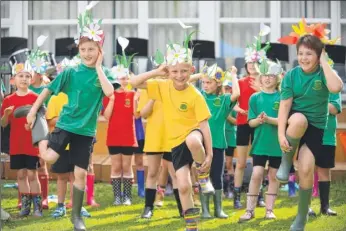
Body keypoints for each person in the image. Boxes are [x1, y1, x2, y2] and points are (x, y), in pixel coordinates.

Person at [14, 4, 118, 230]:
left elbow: (110, 92)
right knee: (49, 158)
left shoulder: (104, 74)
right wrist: (33, 111)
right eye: (84, 50)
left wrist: (99, 67)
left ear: (100, 51)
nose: (87, 54)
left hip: (86, 131)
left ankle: (76, 218)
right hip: (66, 124)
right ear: (79, 51)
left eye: (92, 49)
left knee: (80, 173)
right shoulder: (70, 72)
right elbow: (47, 90)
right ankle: (40, 126)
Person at [131, 21, 214, 230]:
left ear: (191, 70)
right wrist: (158, 72)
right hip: (174, 145)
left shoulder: (195, 95)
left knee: (193, 139)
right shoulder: (163, 85)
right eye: (175, 71)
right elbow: (134, 83)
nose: (179, 76)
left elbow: (204, 126)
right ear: (169, 71)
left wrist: (210, 155)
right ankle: (191, 226)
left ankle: (203, 177)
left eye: (184, 71)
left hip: (193, 136)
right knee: (184, 186)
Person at [277, 18, 343, 230]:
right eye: (301, 53)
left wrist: (324, 61)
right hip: (295, 123)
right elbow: (285, 107)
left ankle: (301, 217)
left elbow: (336, 88)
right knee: (298, 118)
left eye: (309, 53)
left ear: (318, 55)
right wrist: (280, 135)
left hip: (317, 128)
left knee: (306, 169)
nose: (304, 58)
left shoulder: (323, 73)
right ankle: (286, 162)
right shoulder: (291, 76)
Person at [239, 59, 283, 222]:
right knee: (257, 173)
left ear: (277, 78)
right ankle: (249, 210)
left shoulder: (282, 97)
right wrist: (259, 120)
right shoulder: (255, 98)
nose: (267, 78)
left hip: (277, 145)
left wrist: (269, 119)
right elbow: (250, 122)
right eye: (265, 75)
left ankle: (269, 210)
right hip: (260, 144)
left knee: (273, 176)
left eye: (271, 75)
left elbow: (284, 121)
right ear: (260, 77)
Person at [193, 64, 239, 219]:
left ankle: (218, 210)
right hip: (200, 145)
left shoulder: (224, 99)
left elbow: (236, 94)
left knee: (217, 176)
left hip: (218, 145)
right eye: (204, 82)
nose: (205, 86)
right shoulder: (199, 96)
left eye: (209, 82)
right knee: (203, 176)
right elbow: (187, 84)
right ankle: (205, 210)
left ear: (218, 83)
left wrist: (233, 74)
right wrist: (200, 75)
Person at [232, 26, 269, 209]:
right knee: (240, 162)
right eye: (249, 64)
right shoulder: (240, 82)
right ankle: (237, 196)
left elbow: (270, 100)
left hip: (259, 125)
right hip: (242, 123)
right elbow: (233, 103)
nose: (251, 67)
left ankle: (258, 195)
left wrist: (260, 89)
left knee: (258, 163)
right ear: (246, 66)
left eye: (255, 64)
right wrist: (239, 109)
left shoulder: (266, 82)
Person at [1, 62, 42, 217]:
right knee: (21, 175)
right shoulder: (8, 100)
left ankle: (37, 207)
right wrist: (5, 114)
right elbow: (3, 123)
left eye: (27, 76)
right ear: (13, 80)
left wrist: (32, 125)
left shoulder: (35, 98)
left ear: (31, 80)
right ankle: (25, 207)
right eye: (21, 76)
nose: (24, 79)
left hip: (32, 143)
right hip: (16, 143)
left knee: (32, 174)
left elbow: (42, 120)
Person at [102, 37, 137, 206]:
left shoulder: (132, 94)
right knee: (116, 167)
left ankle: (127, 196)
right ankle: (117, 196)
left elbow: (137, 114)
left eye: (125, 78)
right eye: (119, 78)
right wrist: (112, 99)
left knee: (127, 167)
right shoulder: (109, 95)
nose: (122, 81)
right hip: (113, 136)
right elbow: (106, 116)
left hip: (129, 136)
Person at [308, 91, 342, 217]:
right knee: (307, 171)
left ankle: (325, 207)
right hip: (308, 135)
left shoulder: (332, 88)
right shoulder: (308, 83)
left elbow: (334, 109)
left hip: (327, 136)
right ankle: (306, 207)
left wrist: (314, 102)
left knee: (324, 172)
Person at [222, 80, 237, 199]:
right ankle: (220, 190)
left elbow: (237, 121)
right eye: (225, 88)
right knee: (217, 164)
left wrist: (226, 115)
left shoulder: (234, 103)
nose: (227, 91)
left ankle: (231, 190)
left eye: (229, 89)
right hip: (217, 135)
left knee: (228, 164)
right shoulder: (218, 101)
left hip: (230, 135)